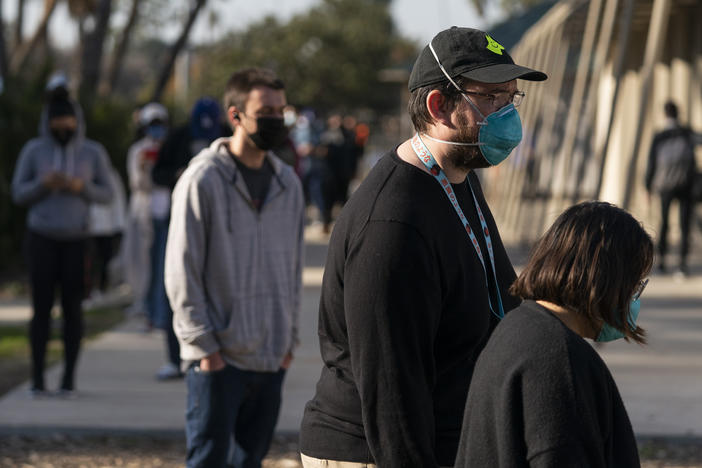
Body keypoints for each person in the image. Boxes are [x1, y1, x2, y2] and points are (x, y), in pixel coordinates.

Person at [299, 26, 547, 467]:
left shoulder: (457, 181)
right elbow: (392, 388)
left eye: (511, 98)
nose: (507, 113)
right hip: (373, 450)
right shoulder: (392, 223)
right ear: (438, 106)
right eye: (491, 98)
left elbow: (500, 301)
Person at [165, 67, 305, 468]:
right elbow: (181, 271)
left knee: (250, 461)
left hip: (271, 357)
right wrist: (205, 349)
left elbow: (293, 270)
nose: (276, 119)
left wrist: (288, 343)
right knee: (207, 460)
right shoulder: (202, 180)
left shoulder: (288, 185)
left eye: (282, 111)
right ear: (236, 115)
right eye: (266, 111)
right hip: (218, 360)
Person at [454, 201, 653, 467]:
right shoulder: (560, 361)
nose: (634, 298)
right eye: (634, 285)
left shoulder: (518, 327)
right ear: (608, 279)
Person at [11, 78, 113, 397]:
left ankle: (69, 377)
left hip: (77, 240)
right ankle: (38, 378)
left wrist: (82, 188)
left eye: (67, 120)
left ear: (76, 121)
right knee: (41, 310)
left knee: (73, 311)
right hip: (41, 238)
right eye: (57, 120)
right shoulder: (34, 150)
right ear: (48, 121)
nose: (62, 125)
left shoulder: (93, 152)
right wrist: (44, 185)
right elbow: (18, 193)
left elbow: (108, 193)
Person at [150, 98, 225, 381]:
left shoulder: (225, 138)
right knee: (177, 288)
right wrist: (177, 176)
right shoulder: (179, 137)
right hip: (179, 222)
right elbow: (157, 172)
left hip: (219, 226)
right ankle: (174, 356)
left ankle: (212, 354)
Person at [645, 101, 702, 276]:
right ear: (679, 113)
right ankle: (682, 265)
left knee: (664, 223)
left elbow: (651, 162)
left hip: (665, 186)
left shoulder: (660, 136)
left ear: (665, 114)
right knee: (685, 226)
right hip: (686, 186)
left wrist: (648, 186)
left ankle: (661, 262)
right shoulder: (686, 133)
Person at [122, 103, 169, 319]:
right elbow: (137, 183)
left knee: (162, 263)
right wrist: (144, 168)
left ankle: (159, 307)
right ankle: (142, 303)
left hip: (165, 211)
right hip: (143, 212)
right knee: (141, 262)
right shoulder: (138, 150)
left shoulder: (170, 147)